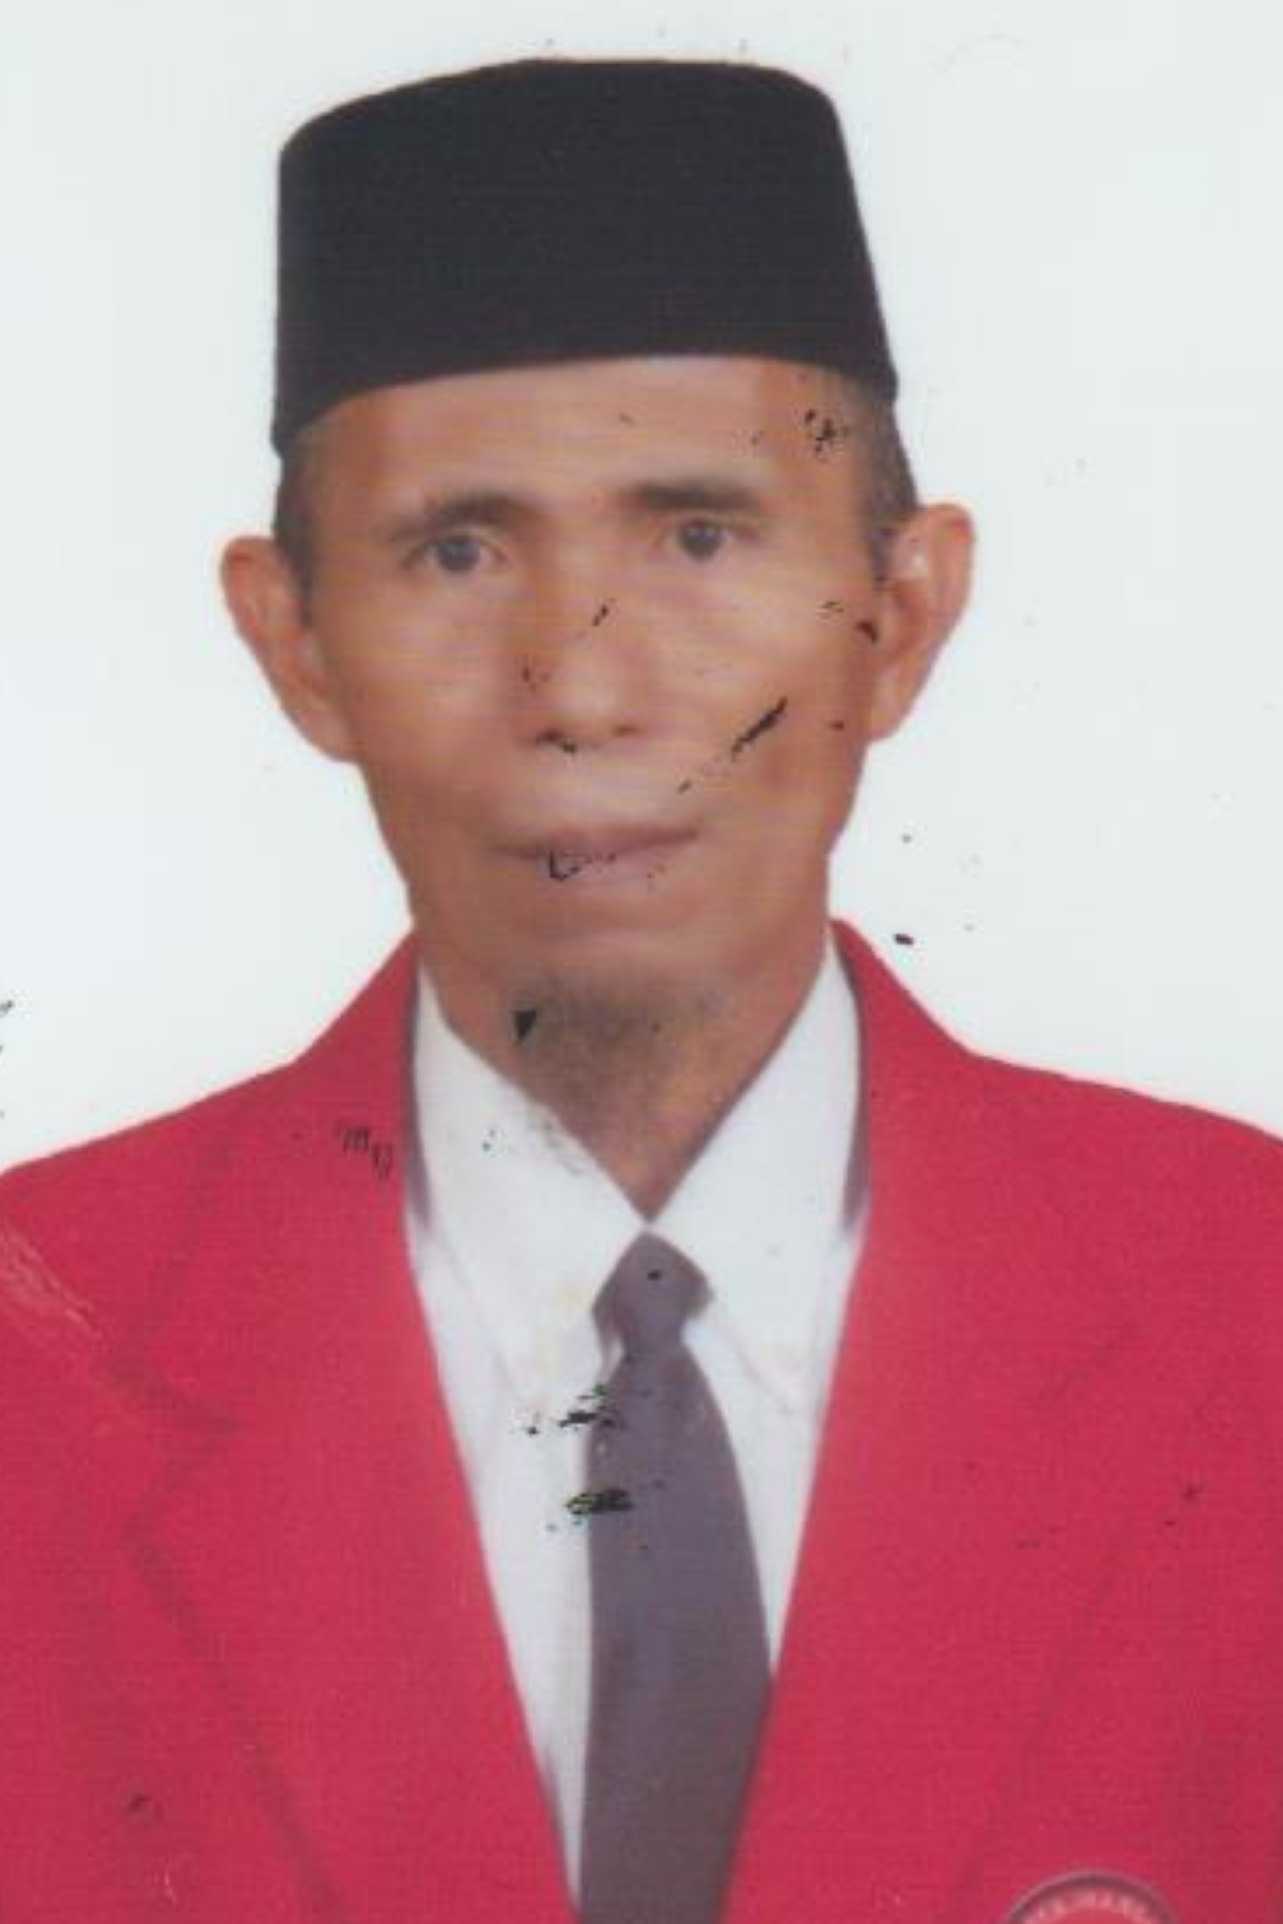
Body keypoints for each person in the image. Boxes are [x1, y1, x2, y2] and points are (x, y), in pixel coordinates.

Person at [1, 56, 1280, 1924]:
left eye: (699, 535)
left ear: (903, 611)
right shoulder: (31, 1352)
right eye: (456, 550)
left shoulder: (1254, 1306)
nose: (586, 693)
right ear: (296, 643)